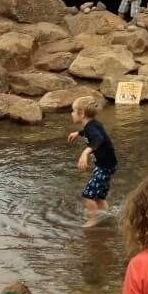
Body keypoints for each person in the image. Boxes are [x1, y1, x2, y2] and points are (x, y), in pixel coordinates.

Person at [66, 95, 118, 226]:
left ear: (81, 114)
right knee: (99, 196)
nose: (71, 114)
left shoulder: (91, 128)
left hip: (104, 167)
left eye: (73, 111)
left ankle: (94, 219)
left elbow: (98, 139)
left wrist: (85, 152)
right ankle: (106, 215)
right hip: (108, 165)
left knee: (87, 196)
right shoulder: (92, 124)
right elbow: (90, 132)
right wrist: (78, 133)